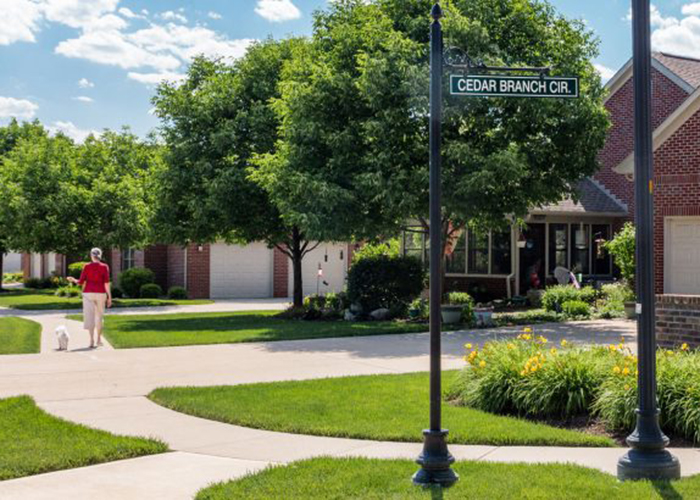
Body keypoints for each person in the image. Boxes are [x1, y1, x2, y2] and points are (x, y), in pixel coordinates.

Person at [67, 248, 112, 348]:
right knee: (99, 317)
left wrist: (73, 279)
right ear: (100, 255)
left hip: (88, 294)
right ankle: (99, 340)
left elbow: (81, 282)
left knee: (90, 317)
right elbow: (106, 283)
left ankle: (91, 340)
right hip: (101, 294)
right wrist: (109, 297)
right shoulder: (105, 267)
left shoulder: (86, 266)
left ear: (92, 255)